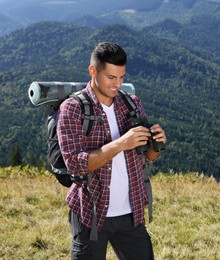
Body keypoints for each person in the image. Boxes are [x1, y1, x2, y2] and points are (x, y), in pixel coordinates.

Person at [57, 42, 166, 259]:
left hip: (131, 213)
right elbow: (75, 165)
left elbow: (149, 157)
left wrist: (156, 145)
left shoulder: (132, 103)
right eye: (111, 77)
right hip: (91, 214)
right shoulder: (73, 108)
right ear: (93, 71)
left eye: (121, 77)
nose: (117, 84)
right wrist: (121, 143)